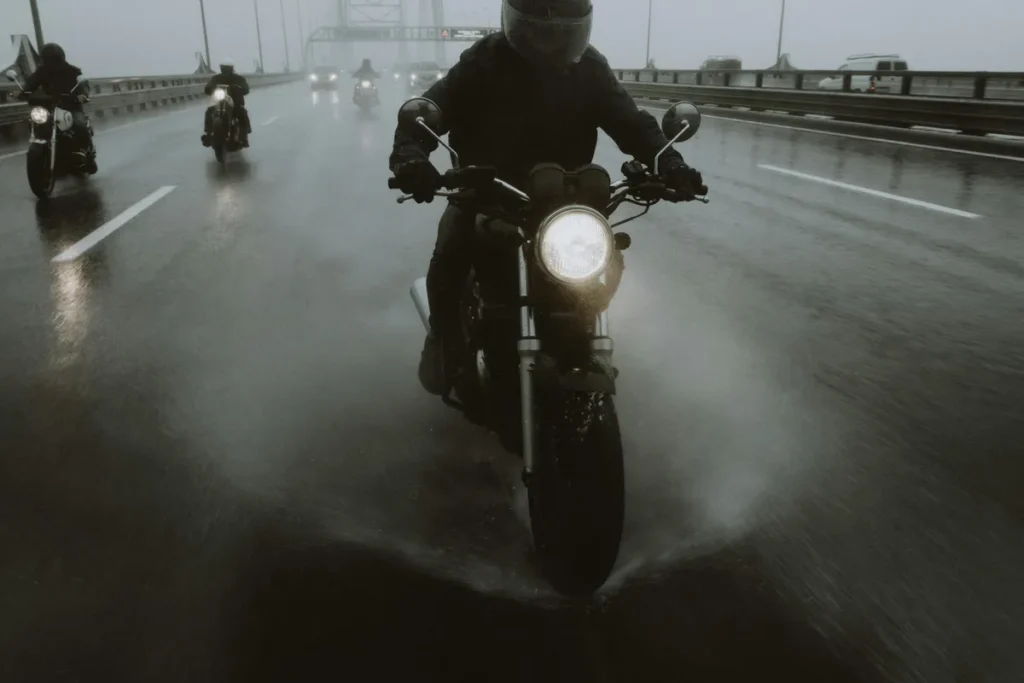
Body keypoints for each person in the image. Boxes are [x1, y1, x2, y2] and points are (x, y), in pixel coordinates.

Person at [389, 0, 707, 396]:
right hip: (486, 195)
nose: (549, 40)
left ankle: (581, 334)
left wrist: (670, 163)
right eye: (539, 28)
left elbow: (633, 124)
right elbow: (432, 107)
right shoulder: (482, 62)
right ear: (515, 22)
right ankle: (444, 339)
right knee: (453, 248)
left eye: (562, 30)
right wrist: (411, 158)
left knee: (605, 257)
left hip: (563, 203)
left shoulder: (589, 68)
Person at [17, 42, 96, 173]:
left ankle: (88, 158)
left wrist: (82, 95)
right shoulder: (41, 71)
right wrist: (23, 92)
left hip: (70, 107)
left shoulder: (73, 71)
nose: (50, 62)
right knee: (35, 121)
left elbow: (83, 85)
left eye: (53, 58)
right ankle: (43, 154)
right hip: (48, 108)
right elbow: (31, 83)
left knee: (80, 124)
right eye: (48, 59)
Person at [201, 59, 251, 147]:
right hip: (219, 102)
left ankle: (243, 137)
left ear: (231, 68)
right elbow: (208, 88)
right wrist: (210, 88)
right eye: (224, 68)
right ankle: (208, 134)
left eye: (227, 68)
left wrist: (240, 88)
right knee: (209, 111)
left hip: (235, 103)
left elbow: (246, 89)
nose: (225, 70)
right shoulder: (216, 78)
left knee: (242, 113)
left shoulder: (238, 78)